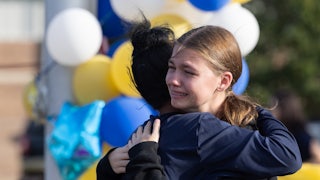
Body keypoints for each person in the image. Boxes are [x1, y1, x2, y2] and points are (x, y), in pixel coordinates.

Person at [96, 20, 302, 179]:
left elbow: (288, 156)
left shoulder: (173, 132)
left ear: (223, 81)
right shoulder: (191, 129)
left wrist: (110, 167)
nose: (174, 80)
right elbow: (288, 155)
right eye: (171, 67)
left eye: (189, 72)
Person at [270, 89, 320, 163]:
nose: (270, 110)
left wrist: (299, 169)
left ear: (284, 109)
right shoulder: (276, 132)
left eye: (273, 107)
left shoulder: (300, 135)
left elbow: (318, 158)